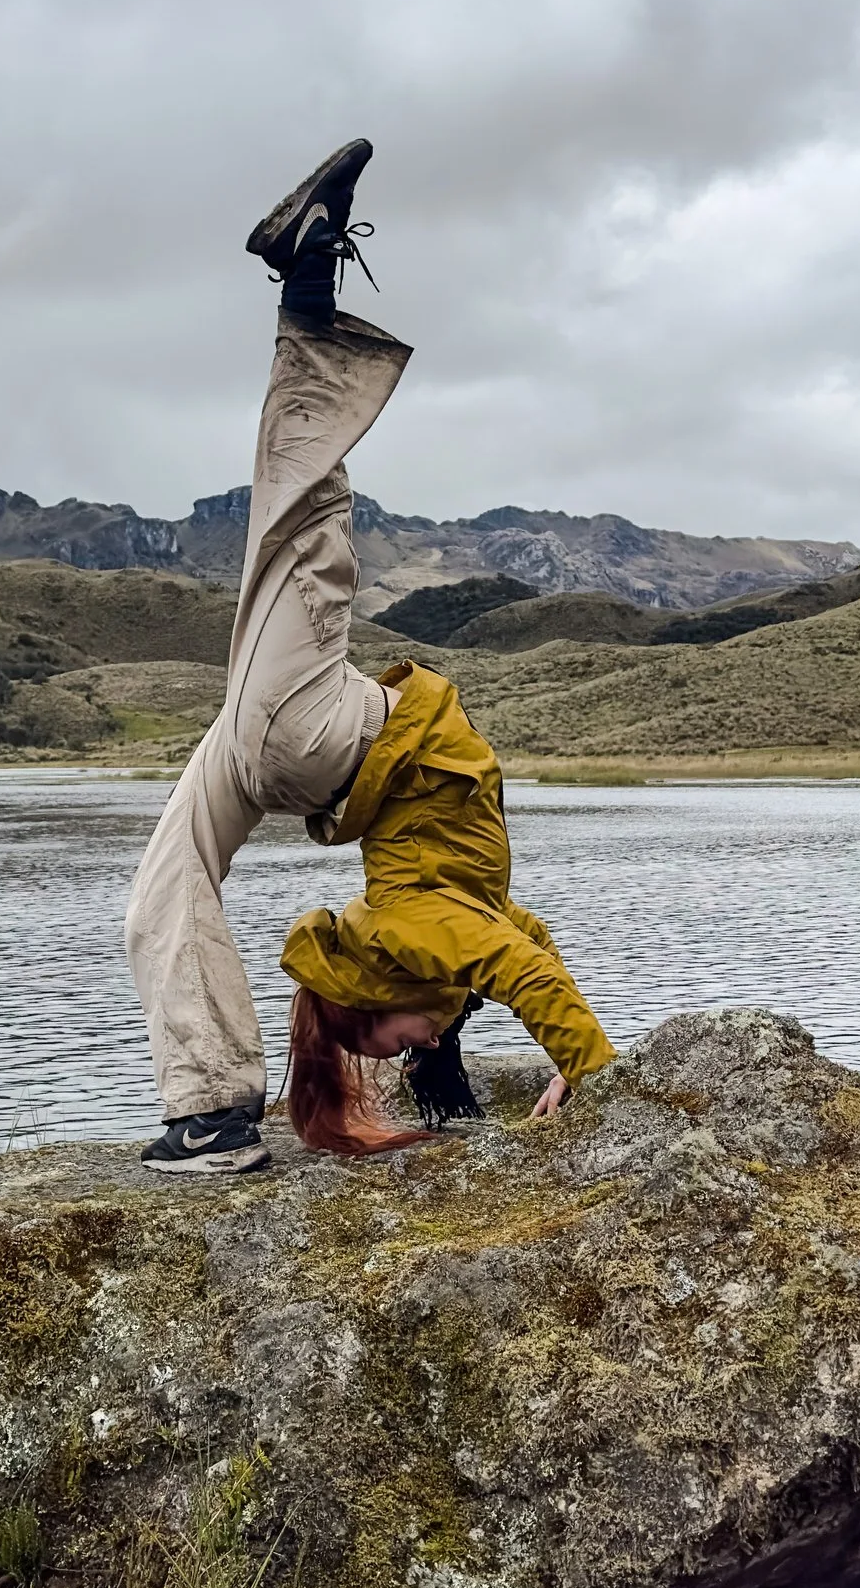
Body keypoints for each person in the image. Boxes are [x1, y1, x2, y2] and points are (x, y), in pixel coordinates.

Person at [125, 138, 618, 1174]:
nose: (418, 1043)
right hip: (316, 750)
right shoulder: (430, 932)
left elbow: (509, 957)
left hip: (312, 744)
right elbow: (519, 947)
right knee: (164, 885)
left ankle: (308, 296)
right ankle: (209, 1113)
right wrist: (583, 1066)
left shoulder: (411, 932)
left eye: (398, 1043)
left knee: (300, 541)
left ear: (374, 990)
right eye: (406, 1049)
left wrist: (582, 1056)